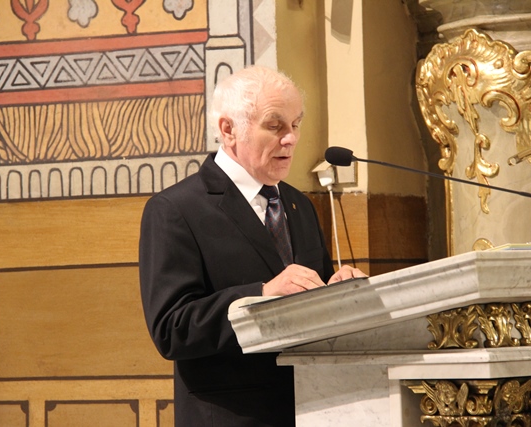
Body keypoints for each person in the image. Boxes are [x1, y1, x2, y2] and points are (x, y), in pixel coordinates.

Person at [139, 65, 366, 427]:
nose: (291, 139)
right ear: (228, 129)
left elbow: (312, 297)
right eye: (275, 126)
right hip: (231, 416)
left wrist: (338, 291)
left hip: (314, 407)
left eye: (296, 125)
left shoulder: (299, 204)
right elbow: (172, 330)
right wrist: (260, 294)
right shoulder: (175, 210)